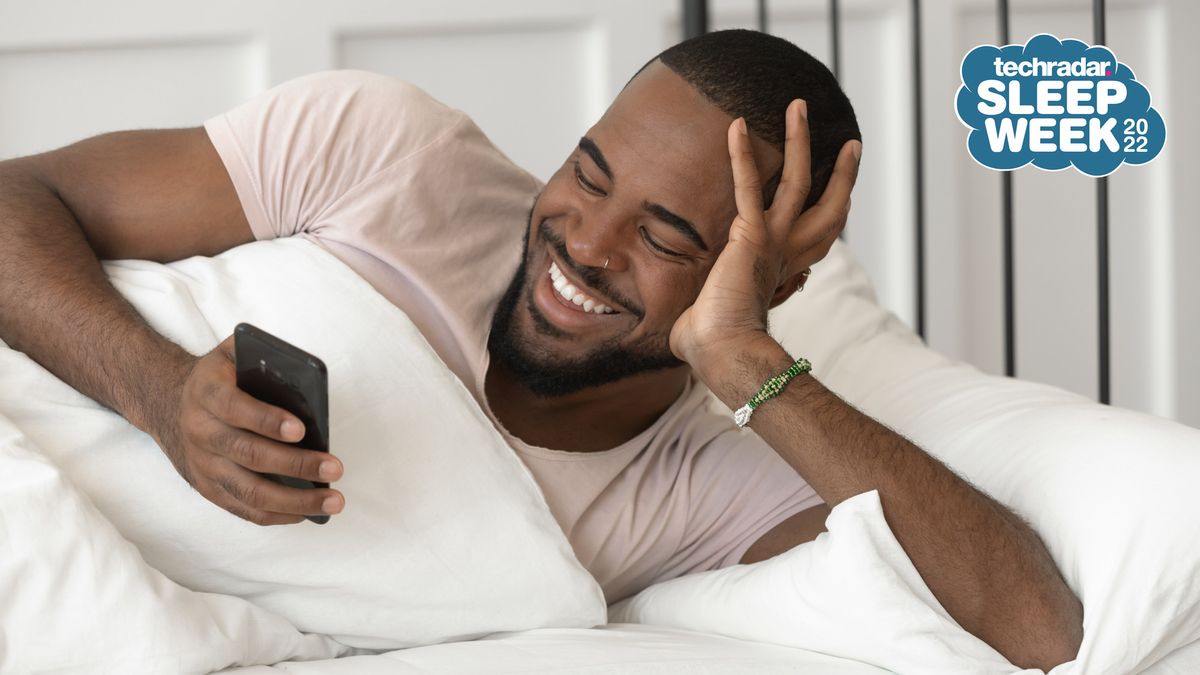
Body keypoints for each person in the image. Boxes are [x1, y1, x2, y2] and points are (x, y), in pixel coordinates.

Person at [0, 29, 1080, 669]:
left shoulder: (711, 481)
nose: (586, 242)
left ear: (768, 283)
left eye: (666, 237)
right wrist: (155, 394)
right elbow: (14, 199)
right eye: (588, 174)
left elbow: (1037, 630)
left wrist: (744, 359)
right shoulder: (385, 151)